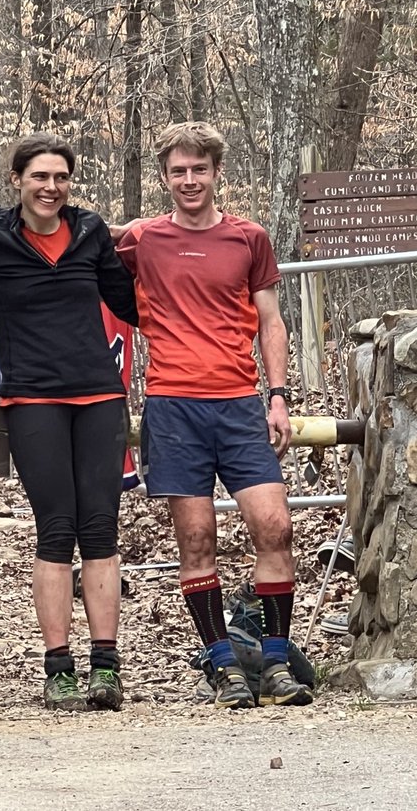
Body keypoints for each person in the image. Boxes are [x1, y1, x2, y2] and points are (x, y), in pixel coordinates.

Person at [115, 121, 312, 709]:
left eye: (199, 168)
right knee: (196, 539)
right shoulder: (140, 239)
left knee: (275, 527)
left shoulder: (249, 238)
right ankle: (223, 664)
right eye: (178, 170)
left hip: (239, 403)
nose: (189, 179)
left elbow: (272, 322)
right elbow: (71, 247)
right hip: (174, 407)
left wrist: (278, 395)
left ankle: (275, 662)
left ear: (216, 172)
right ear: (165, 177)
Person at [0, 134, 137, 711]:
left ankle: (106, 667)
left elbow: (133, 303)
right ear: (17, 181)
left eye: (60, 177)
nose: (50, 187)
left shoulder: (89, 232)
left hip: (99, 394)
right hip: (31, 400)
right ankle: (59, 668)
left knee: (101, 528)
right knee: (56, 529)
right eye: (39, 177)